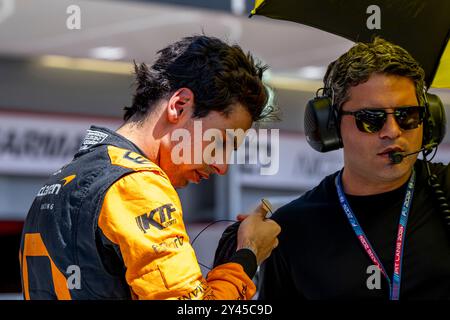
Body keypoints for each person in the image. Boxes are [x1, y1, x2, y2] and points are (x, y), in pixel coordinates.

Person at [19, 35, 281, 300]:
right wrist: (248, 255)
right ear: (179, 106)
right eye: (220, 142)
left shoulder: (63, 179)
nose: (221, 166)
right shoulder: (137, 185)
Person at [259, 37, 450, 300]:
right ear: (330, 126)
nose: (393, 132)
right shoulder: (292, 228)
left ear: (428, 120)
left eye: (408, 116)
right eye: (371, 120)